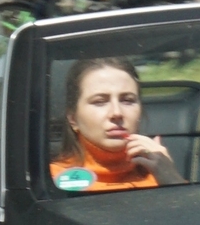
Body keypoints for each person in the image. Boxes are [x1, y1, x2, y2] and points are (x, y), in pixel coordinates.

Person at [48, 56, 182, 193]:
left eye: (127, 100)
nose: (116, 113)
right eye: (100, 102)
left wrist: (172, 179)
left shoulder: (160, 174)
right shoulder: (50, 181)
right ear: (73, 119)